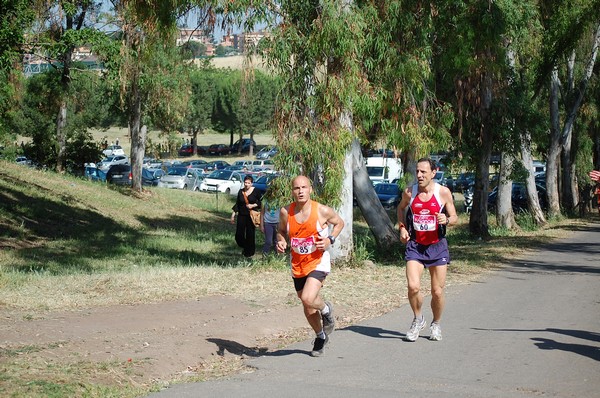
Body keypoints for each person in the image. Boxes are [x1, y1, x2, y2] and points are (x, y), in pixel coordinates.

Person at [276, 175, 345, 357]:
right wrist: (281, 241)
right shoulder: (286, 212)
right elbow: (281, 231)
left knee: (308, 298)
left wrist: (330, 239)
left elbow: (339, 223)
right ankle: (320, 336)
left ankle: (326, 309)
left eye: (304, 187)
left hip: (318, 261)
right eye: (296, 188)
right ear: (292, 191)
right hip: (298, 263)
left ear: (310, 189)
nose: (300, 191)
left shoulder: (321, 210)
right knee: (307, 306)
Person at [397, 158, 457, 342]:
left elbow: (454, 216)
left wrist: (446, 220)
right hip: (415, 246)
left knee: (437, 291)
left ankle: (436, 323)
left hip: (437, 246)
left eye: (423, 172)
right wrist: (402, 227)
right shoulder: (410, 192)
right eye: (417, 171)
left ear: (434, 172)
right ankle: (418, 319)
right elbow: (400, 209)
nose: (419, 175)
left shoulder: (443, 192)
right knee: (413, 286)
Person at [231, 175, 261, 258]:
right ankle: (246, 247)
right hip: (241, 215)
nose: (247, 184)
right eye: (245, 182)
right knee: (238, 235)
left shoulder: (256, 191)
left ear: (251, 183)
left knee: (250, 234)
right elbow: (238, 203)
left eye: (248, 183)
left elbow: (261, 203)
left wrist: (253, 205)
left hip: (251, 216)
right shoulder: (241, 192)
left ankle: (249, 252)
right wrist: (233, 215)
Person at [260, 190, 280, 256]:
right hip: (268, 223)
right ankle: (265, 255)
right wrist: (262, 225)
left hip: (277, 223)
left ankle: (277, 256)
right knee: (268, 241)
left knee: (276, 241)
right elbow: (262, 213)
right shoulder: (265, 201)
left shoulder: (280, 201)